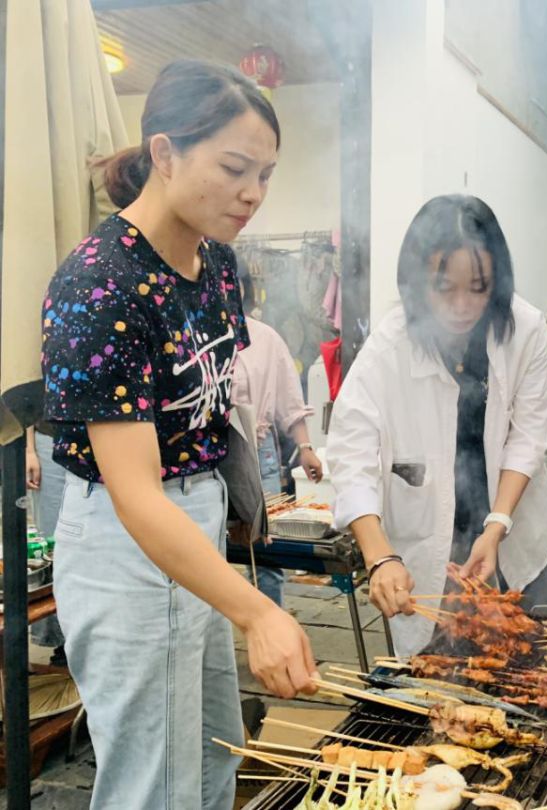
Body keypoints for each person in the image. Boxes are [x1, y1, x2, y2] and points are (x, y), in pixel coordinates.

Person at [41, 60, 316, 809]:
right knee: (150, 788)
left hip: (192, 523)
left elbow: (211, 414)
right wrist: (259, 609)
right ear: (164, 153)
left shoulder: (217, 263)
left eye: (265, 173)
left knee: (210, 756)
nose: (254, 193)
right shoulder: (100, 283)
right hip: (128, 539)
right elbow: (133, 492)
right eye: (235, 168)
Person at [327, 194, 547, 658]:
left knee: (528, 666)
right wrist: (380, 556)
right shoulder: (389, 345)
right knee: (437, 679)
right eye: (443, 287)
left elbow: (528, 436)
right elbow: (351, 453)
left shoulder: (526, 329)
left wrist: (495, 526)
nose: (461, 306)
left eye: (478, 287)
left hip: (510, 523)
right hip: (429, 541)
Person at [232, 266, 324, 605]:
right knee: (207, 547)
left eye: (234, 284)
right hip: (209, 456)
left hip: (259, 453)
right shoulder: (195, 336)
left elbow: (289, 397)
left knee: (265, 549)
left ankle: (274, 627)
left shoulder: (266, 337)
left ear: (244, 289)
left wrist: (305, 447)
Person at [25, 423, 67, 665]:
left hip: (100, 438)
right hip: (49, 439)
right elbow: (26, 390)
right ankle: (60, 642)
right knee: (52, 543)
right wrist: (30, 450)